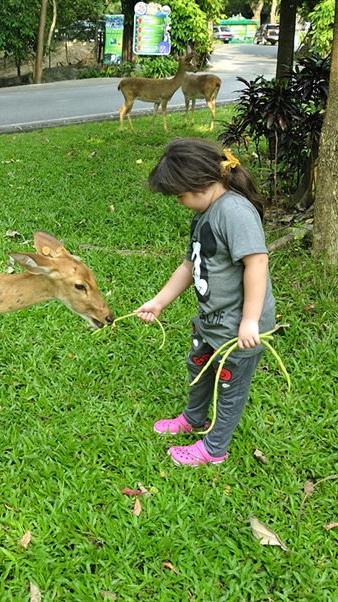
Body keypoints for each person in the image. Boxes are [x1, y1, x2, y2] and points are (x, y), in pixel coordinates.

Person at [135, 138, 276, 466]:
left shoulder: (235, 212)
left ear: (198, 183)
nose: (179, 201)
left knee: (229, 388)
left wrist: (250, 320)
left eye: (179, 195)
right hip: (210, 319)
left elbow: (257, 263)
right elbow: (189, 265)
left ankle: (214, 449)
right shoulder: (204, 214)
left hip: (238, 326)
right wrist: (159, 302)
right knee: (198, 369)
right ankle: (194, 419)